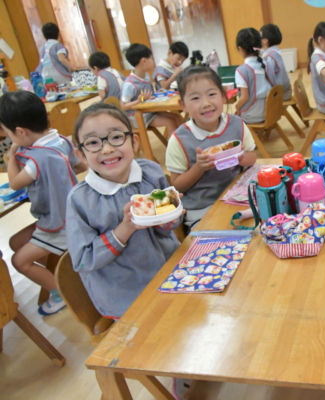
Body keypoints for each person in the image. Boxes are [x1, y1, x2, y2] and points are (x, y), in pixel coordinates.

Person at [66, 103, 182, 319]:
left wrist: (170, 214)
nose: (107, 149)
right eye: (93, 142)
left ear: (134, 141)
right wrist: (126, 227)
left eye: (116, 137)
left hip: (172, 271)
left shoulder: (150, 172)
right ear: (81, 154)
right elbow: (83, 260)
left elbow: (169, 228)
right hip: (127, 296)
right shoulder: (80, 200)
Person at [0, 91, 86, 315]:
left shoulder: (37, 159)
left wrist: (11, 155)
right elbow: (81, 166)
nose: (8, 137)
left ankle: (61, 293)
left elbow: (15, 183)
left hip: (60, 223)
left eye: (7, 132)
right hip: (71, 213)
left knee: (19, 261)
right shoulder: (62, 141)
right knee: (16, 242)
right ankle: (63, 271)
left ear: (21, 132)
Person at [167, 66, 257, 229]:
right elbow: (176, 186)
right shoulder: (179, 139)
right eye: (195, 98)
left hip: (237, 198)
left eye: (212, 94)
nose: (206, 103)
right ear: (183, 105)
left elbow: (252, 157)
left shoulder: (236, 124)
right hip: (201, 208)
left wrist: (240, 157)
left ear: (223, 96)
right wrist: (199, 167)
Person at [121, 44, 182, 137]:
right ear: (144, 61)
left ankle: (184, 142)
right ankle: (173, 146)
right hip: (137, 116)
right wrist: (138, 100)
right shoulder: (129, 84)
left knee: (177, 117)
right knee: (170, 122)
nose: (153, 61)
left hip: (149, 111)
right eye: (151, 58)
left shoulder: (146, 76)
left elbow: (148, 96)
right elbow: (124, 106)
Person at [234, 28, 272, 124]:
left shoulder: (241, 70)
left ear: (241, 49)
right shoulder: (266, 63)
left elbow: (244, 97)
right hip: (270, 111)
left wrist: (235, 108)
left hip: (252, 115)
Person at [260, 24, 292, 101]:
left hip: (281, 94)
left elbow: (269, 78)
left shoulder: (270, 56)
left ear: (265, 41)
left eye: (259, 36)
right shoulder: (274, 51)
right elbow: (262, 52)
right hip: (285, 90)